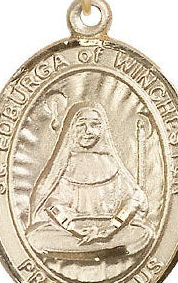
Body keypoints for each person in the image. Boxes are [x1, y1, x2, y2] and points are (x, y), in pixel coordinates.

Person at [26, 102, 153, 260]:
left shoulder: (111, 162)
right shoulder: (64, 164)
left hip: (110, 231)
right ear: (71, 129)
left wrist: (110, 228)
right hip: (71, 232)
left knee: (143, 233)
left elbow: (135, 199)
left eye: (94, 125)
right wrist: (73, 227)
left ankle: (91, 250)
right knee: (36, 237)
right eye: (81, 125)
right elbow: (51, 203)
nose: (88, 131)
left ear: (102, 129)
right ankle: (102, 251)